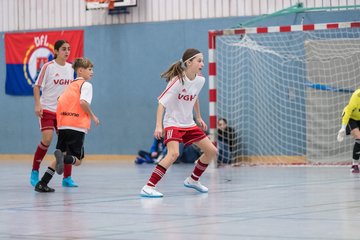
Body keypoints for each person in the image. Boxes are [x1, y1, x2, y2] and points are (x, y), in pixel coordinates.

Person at [140, 48, 217, 198]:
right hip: (173, 123)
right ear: (189, 63)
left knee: (211, 151)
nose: (202, 64)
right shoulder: (177, 81)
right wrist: (158, 125)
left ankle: (193, 180)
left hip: (189, 123)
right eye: (199, 61)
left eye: (203, 61)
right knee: (174, 154)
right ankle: (148, 186)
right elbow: (161, 103)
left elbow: (194, 97)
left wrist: (199, 117)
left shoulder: (200, 80)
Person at [34, 57, 100, 192]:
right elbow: (83, 102)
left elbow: (60, 101)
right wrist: (93, 116)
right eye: (89, 69)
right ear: (80, 71)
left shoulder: (69, 86)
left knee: (60, 157)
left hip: (63, 126)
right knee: (77, 160)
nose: (92, 72)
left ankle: (42, 183)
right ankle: (64, 158)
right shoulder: (86, 85)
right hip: (77, 126)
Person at [30, 39, 78, 188]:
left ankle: (67, 178)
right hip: (47, 109)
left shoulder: (71, 69)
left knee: (67, 145)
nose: (67, 51)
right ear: (56, 51)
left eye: (69, 49)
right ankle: (35, 171)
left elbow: (72, 91)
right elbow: (37, 86)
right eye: (64, 49)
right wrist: (38, 104)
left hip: (64, 112)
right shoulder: (48, 67)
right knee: (47, 139)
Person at [337, 89, 360, 173]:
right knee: (359, 138)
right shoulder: (356, 96)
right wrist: (343, 127)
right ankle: (355, 165)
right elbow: (348, 111)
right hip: (351, 118)